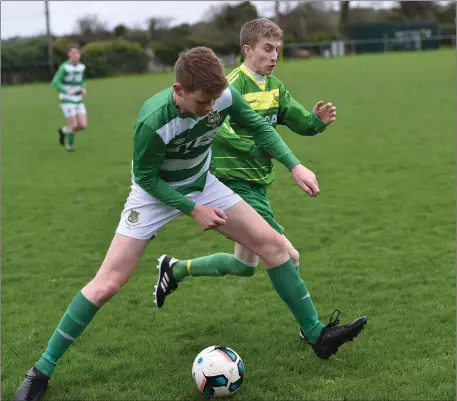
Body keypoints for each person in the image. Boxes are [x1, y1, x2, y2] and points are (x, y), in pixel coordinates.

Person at [13, 46, 366, 401]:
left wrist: (295, 165)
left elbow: (258, 127)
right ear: (179, 90)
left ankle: (317, 335)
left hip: (203, 183)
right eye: (202, 102)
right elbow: (148, 179)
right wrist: (191, 209)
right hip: (153, 196)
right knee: (108, 283)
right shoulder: (153, 121)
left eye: (215, 100)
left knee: (274, 247)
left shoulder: (222, 96)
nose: (211, 109)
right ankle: (41, 370)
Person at [159, 18, 354, 347]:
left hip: (258, 182)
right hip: (232, 183)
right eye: (267, 48)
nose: (274, 55)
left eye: (278, 49)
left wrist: (316, 122)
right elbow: (220, 132)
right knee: (287, 255)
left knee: (244, 264)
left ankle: (175, 269)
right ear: (247, 50)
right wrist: (257, 146)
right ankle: (312, 330)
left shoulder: (276, 87)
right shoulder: (228, 86)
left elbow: (295, 119)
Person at [51, 43, 87, 152]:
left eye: (77, 53)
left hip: (78, 99)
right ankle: (70, 147)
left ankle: (63, 131)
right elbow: (55, 82)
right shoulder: (64, 67)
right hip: (66, 99)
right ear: (69, 55)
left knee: (83, 125)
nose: (76, 55)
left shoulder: (82, 67)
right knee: (74, 124)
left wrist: (83, 88)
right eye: (73, 53)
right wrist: (66, 91)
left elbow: (82, 80)